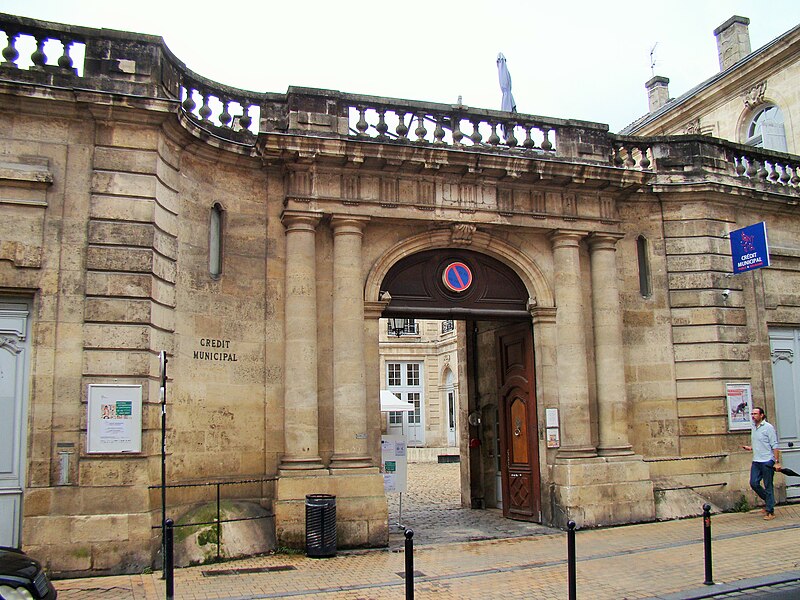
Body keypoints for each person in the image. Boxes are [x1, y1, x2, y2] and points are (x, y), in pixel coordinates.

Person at [741, 406, 781, 520]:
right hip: (757, 460)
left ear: (762, 415)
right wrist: (750, 447)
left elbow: (775, 445)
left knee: (768, 485)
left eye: (755, 414)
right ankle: (770, 502)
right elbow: (759, 442)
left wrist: (776, 462)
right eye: (752, 414)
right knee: (754, 483)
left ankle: (770, 512)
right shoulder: (754, 427)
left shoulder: (768, 427)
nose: (753, 416)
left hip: (767, 461)